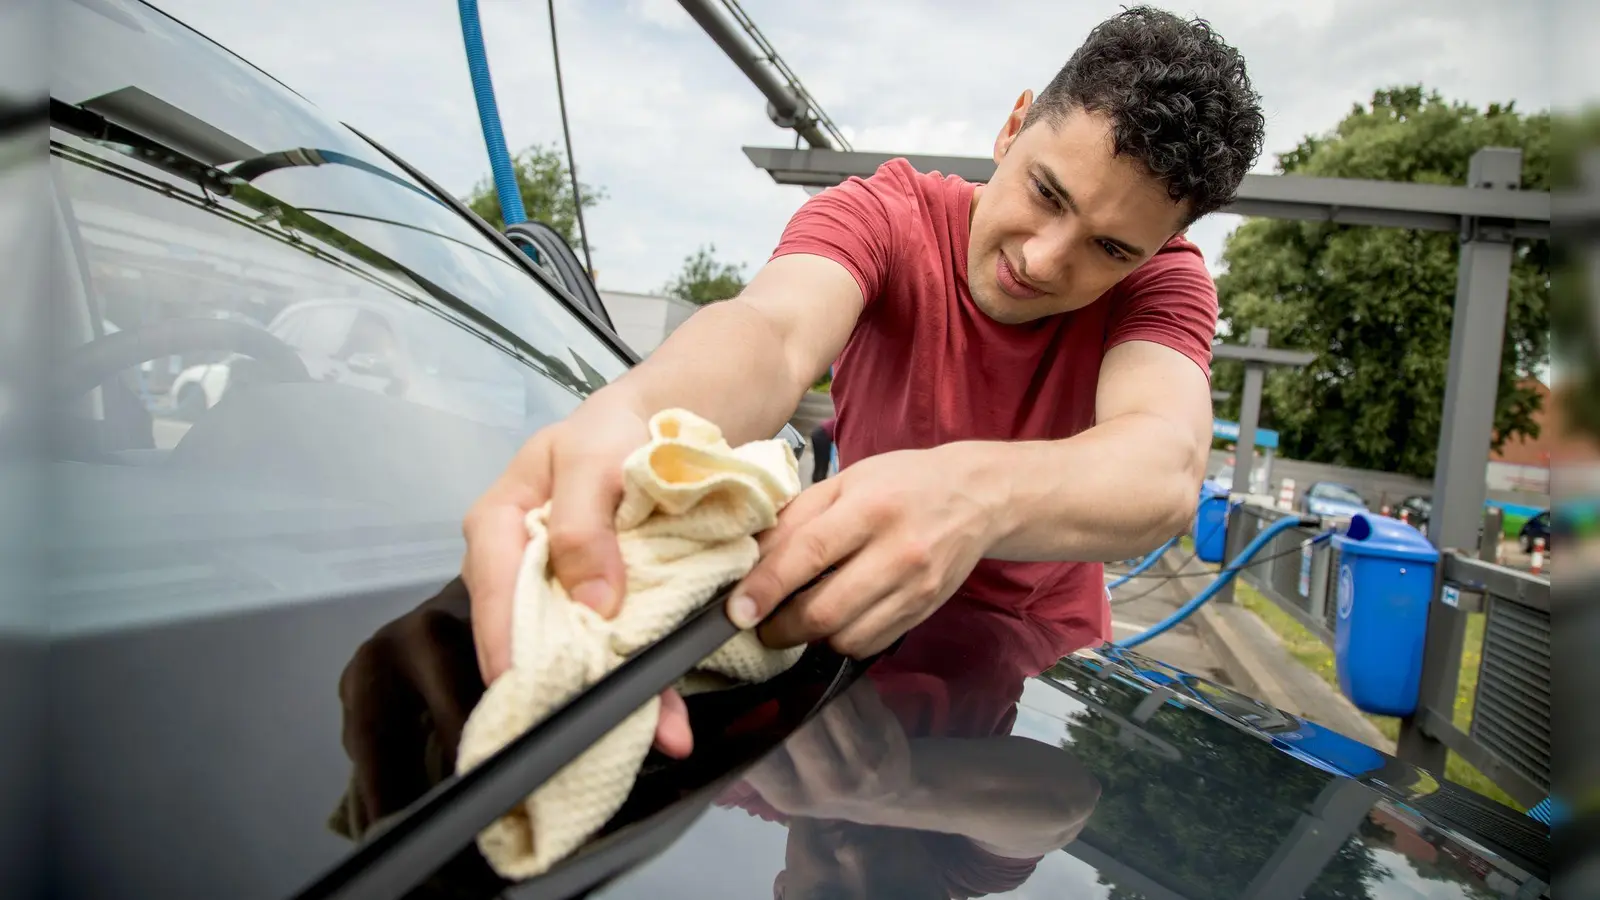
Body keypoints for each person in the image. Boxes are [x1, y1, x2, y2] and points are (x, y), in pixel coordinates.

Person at [461, 6, 1265, 759]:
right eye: (1045, 193)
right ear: (1012, 126)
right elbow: (773, 335)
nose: (1045, 259)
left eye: (1112, 249)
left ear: (1158, 250)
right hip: (843, 630)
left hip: (1033, 662)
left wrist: (972, 498)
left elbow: (1163, 463)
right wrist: (634, 413)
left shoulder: (1166, 287)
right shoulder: (886, 214)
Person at [809, 415, 836, 484]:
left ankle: (816, 482)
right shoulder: (843, 419)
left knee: (819, 462)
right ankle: (819, 483)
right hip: (822, 436)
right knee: (823, 463)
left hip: (817, 434)